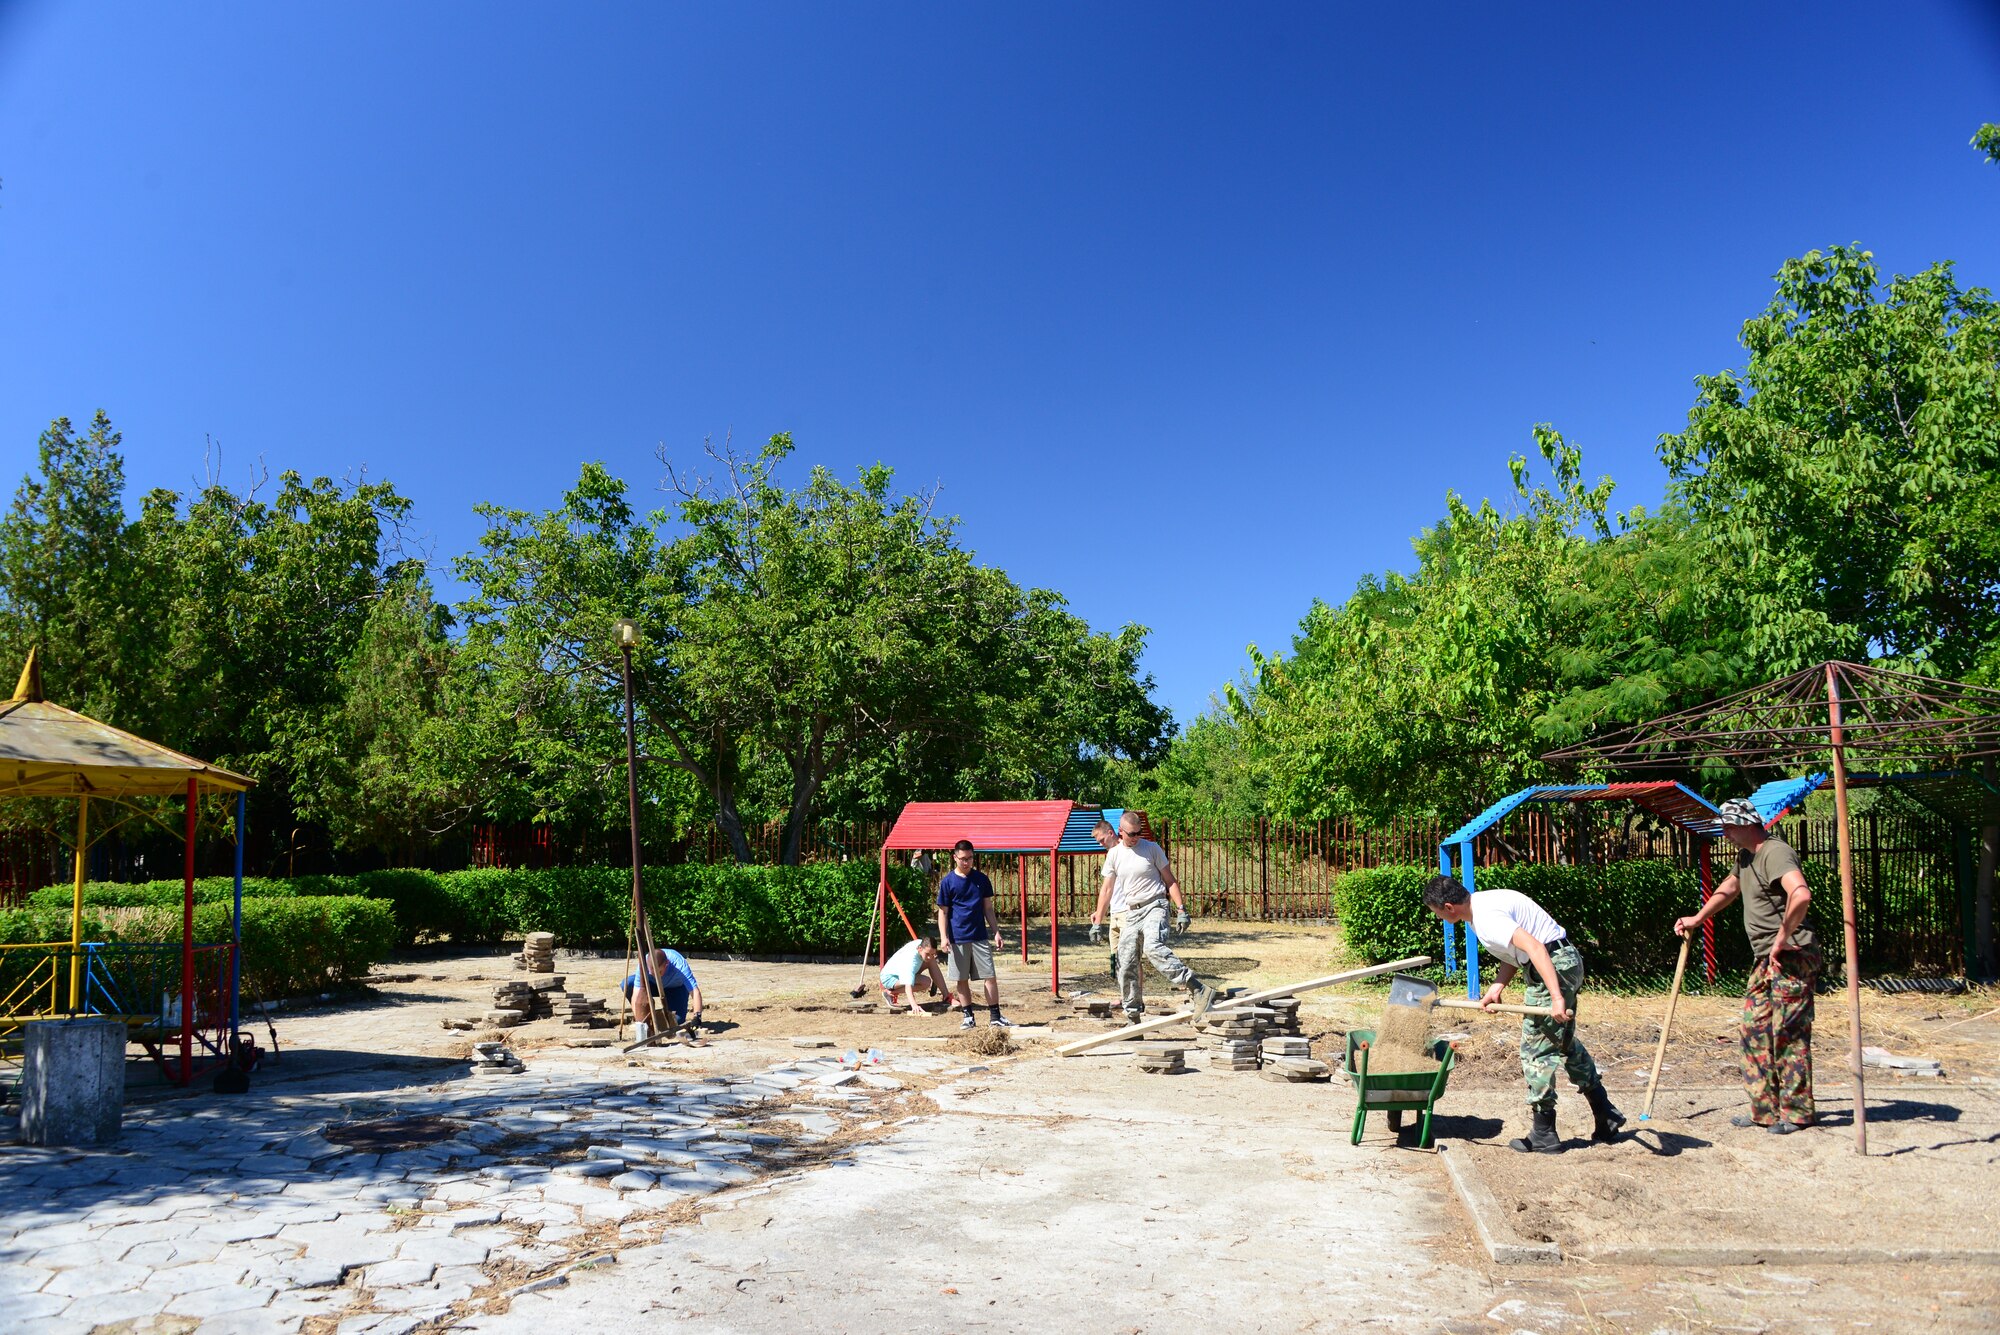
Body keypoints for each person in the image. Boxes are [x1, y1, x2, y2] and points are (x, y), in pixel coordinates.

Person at [1421, 876, 1624, 1153]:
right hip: (1563, 961)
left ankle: (1544, 1134)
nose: (1439, 918)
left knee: (1535, 1050)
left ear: (1448, 906)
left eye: (1437, 913)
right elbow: (1515, 953)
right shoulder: (1481, 905)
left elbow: (1536, 947)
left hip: (1552, 967)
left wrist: (1555, 997)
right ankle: (1605, 1114)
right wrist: (1497, 987)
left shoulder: (1487, 918)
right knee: (1561, 1042)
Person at [1674, 797, 1820, 1134]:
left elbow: (1801, 894)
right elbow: (1730, 888)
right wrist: (1697, 919)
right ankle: (1764, 1111)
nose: (1724, 833)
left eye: (1727, 826)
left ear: (1745, 824)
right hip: (1765, 959)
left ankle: (1797, 1113)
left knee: (1788, 1033)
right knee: (1754, 1031)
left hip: (1792, 956)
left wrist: (1783, 935)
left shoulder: (1775, 852)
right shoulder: (1747, 857)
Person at [1090, 811, 1217, 1022]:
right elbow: (1106, 890)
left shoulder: (1152, 849)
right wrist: (1098, 922)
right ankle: (1132, 1016)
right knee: (1126, 961)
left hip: (1155, 906)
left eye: (1139, 833)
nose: (1136, 837)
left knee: (1152, 947)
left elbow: (1170, 880)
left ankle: (1198, 989)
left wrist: (1181, 909)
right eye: (1131, 834)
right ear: (1121, 832)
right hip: (1132, 912)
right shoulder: (1114, 855)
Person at [936, 839, 1013, 1030]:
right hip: (957, 938)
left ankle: (995, 1016)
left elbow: (988, 908)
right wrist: (944, 937)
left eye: (970, 858)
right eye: (962, 859)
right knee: (961, 979)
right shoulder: (947, 882)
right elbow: (943, 912)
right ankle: (968, 1016)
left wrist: (996, 932)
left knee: (990, 976)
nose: (967, 862)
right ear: (955, 858)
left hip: (979, 936)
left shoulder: (981, 879)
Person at [623, 946, 703, 1042]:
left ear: (667, 964)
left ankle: (664, 1016)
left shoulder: (679, 964)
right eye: (651, 973)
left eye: (659, 971)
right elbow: (636, 995)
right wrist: (639, 1020)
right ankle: (647, 1016)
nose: (656, 975)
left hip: (675, 988)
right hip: (653, 986)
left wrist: (697, 1016)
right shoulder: (643, 964)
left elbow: (694, 991)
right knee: (627, 984)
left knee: (676, 1022)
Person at [880, 933, 951, 1015]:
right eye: (927, 954)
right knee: (926, 982)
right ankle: (890, 992)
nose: (929, 956)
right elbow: (908, 986)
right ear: (919, 948)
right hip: (889, 978)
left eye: (932, 954)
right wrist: (914, 1005)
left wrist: (930, 956)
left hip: (900, 970)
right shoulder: (911, 961)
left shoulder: (923, 944)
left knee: (931, 961)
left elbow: (929, 956)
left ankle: (946, 996)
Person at [1087, 819, 1122, 978]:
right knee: (1116, 958)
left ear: (1110, 833)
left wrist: (1098, 921)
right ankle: (1124, 997)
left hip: (1128, 912)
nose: (1100, 844)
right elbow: (1110, 890)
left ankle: (1133, 998)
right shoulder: (1111, 854)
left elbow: (1107, 889)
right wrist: (1099, 912)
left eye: (1102, 840)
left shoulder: (1124, 850)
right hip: (1115, 912)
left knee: (1129, 959)